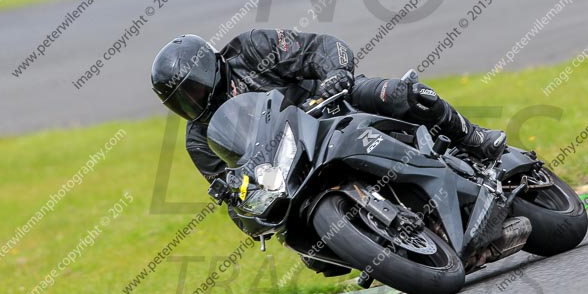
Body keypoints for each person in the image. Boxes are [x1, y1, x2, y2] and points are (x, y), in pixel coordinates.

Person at [151, 30, 506, 184]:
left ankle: (473, 137)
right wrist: (241, 199)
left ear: (209, 67)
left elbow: (321, 46)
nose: (191, 102)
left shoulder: (250, 49)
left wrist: (334, 75)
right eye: (180, 101)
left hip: (334, 108)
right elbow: (230, 192)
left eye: (192, 90)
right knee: (310, 251)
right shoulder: (200, 139)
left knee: (403, 94)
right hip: (294, 166)